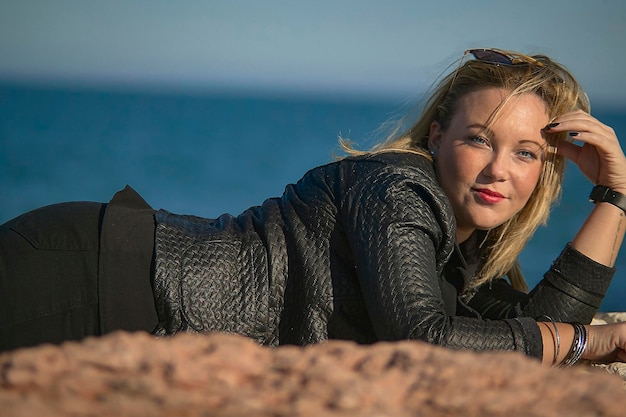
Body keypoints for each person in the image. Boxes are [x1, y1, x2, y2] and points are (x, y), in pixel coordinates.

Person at [1, 48, 625, 367]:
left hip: (116, 284)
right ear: (437, 135)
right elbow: (425, 338)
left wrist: (614, 195)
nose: (498, 170)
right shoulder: (397, 191)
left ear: (544, 170)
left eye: (525, 153)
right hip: (89, 272)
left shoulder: (456, 244)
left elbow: (540, 331)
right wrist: (593, 346)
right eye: (478, 139)